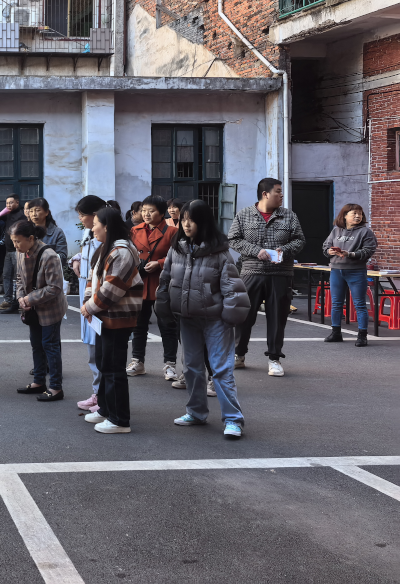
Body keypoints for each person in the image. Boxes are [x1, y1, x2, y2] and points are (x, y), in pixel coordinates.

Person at [156, 200, 250, 439]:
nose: (186, 224)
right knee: (191, 368)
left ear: (204, 221)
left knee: (221, 370)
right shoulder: (177, 248)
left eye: (192, 219)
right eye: (183, 219)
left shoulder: (219, 252)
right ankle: (196, 412)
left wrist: (231, 316)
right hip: (187, 318)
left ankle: (233, 420)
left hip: (216, 320)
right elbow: (166, 280)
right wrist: (164, 306)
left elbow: (232, 287)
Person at [227, 178, 306, 376]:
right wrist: (256, 251)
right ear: (265, 194)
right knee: (243, 316)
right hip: (251, 272)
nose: (281, 195)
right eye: (278, 191)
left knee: (277, 318)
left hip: (280, 274)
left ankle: (274, 358)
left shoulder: (289, 216)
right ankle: (239, 354)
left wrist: (284, 250)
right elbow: (233, 239)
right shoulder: (244, 215)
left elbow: (300, 240)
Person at [81, 206, 143, 434]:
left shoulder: (122, 251)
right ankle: (106, 410)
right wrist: (89, 303)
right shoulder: (106, 249)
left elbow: (112, 289)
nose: (93, 227)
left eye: (96, 223)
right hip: (104, 317)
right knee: (104, 364)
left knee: (114, 368)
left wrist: (88, 307)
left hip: (118, 318)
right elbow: (93, 280)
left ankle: (120, 420)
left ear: (106, 226)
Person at [12, 220, 67, 402]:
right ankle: (38, 382)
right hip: (32, 308)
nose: (15, 245)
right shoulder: (20, 253)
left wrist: (29, 298)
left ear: (30, 238)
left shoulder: (49, 255)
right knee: (36, 345)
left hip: (51, 308)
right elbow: (19, 278)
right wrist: (21, 297)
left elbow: (55, 288)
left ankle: (56, 388)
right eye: (13, 241)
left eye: (18, 241)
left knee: (50, 346)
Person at [127, 195, 180, 379]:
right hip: (140, 282)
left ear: (161, 213)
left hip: (162, 283)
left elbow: (179, 256)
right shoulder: (134, 230)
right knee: (138, 326)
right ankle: (137, 361)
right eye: (144, 211)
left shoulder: (172, 232)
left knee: (167, 326)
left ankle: (169, 364)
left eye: (151, 211)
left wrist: (160, 262)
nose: (146, 214)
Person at [322, 204, 378, 347]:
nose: (358, 216)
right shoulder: (335, 231)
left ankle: (362, 335)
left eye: (360, 213)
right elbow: (325, 247)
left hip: (356, 271)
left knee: (359, 304)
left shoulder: (366, 232)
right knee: (336, 304)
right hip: (336, 271)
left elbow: (368, 251)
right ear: (345, 215)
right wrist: (329, 252)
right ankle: (336, 333)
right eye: (354, 213)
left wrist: (349, 254)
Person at [72, 195, 106, 411]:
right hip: (87, 301)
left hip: (97, 302)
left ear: (95, 215)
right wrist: (75, 259)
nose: (81, 219)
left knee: (100, 353)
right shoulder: (89, 234)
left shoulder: (105, 239)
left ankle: (101, 396)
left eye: (82, 215)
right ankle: (98, 393)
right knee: (93, 352)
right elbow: (85, 252)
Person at [0, 194, 26, 313]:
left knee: (18, 276)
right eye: (7, 203)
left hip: (17, 251)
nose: (8, 205)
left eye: (11, 203)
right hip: (7, 251)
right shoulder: (6, 215)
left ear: (17, 203)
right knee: (6, 275)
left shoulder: (21, 216)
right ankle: (7, 300)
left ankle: (17, 300)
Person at [27, 198, 69, 269]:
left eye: (37, 210)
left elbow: (63, 257)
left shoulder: (57, 232)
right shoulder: (26, 231)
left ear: (47, 212)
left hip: (50, 273)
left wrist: (43, 258)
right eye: (31, 211)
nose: (34, 214)